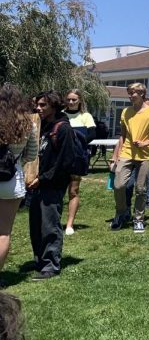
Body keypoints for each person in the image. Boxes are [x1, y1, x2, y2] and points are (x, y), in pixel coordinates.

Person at [29, 91, 75, 278]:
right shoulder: (41, 125)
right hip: (36, 184)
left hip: (52, 184)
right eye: (37, 105)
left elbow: (64, 161)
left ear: (54, 106)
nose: (38, 108)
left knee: (49, 224)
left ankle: (51, 265)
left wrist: (44, 178)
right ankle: (39, 260)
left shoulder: (63, 128)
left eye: (43, 105)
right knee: (35, 224)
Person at [110, 83, 149, 233]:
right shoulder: (125, 112)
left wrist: (145, 143)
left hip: (145, 155)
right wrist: (115, 155)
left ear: (142, 94)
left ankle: (139, 219)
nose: (130, 96)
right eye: (129, 93)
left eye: (133, 93)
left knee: (141, 189)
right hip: (127, 153)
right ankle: (121, 213)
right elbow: (122, 136)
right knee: (118, 185)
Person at [0, 85, 38, 282]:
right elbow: (31, 154)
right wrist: (15, 162)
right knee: (4, 232)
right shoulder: (27, 124)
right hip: (12, 182)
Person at [62, 89, 95, 236]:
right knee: (57, 191)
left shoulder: (85, 116)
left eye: (74, 100)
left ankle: (70, 224)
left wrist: (77, 144)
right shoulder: (60, 115)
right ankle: (55, 221)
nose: (71, 102)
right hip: (60, 159)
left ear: (80, 100)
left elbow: (92, 135)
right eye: (68, 99)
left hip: (77, 158)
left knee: (73, 191)